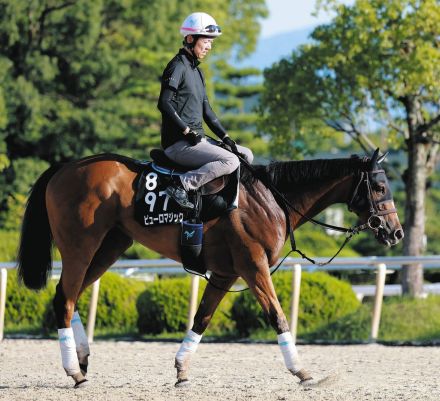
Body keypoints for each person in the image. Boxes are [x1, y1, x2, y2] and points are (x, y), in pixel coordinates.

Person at [157, 12, 253, 209]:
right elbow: (164, 103)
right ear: (191, 39)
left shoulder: (197, 71)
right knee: (230, 161)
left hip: (197, 140)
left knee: (246, 155)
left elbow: (207, 112)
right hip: (178, 144)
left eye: (211, 42)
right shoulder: (177, 67)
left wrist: (226, 138)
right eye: (206, 41)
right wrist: (186, 130)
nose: (209, 47)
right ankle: (181, 185)